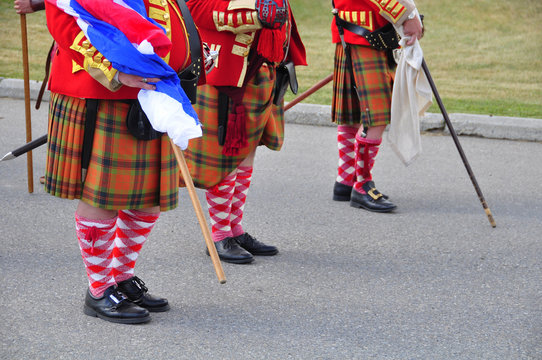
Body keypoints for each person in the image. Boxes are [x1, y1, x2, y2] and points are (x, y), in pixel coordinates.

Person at [43, 0, 202, 324]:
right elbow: (65, 23)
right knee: (101, 198)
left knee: (147, 201)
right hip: (101, 92)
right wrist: (115, 70)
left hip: (153, 91)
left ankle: (121, 276)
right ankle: (99, 290)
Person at [184, 0, 306, 264]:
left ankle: (234, 228)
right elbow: (196, 9)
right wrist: (256, 14)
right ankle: (219, 234)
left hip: (263, 63)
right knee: (225, 152)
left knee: (247, 150)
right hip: (225, 67)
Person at [330, 0, 423, 212]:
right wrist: (406, 16)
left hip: (363, 28)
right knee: (376, 116)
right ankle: (362, 186)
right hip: (365, 31)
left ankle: (346, 181)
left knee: (352, 112)